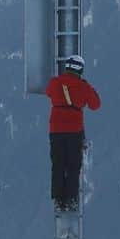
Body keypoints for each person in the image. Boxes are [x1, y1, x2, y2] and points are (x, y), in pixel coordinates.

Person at [46, 55, 101, 212]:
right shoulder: (83, 87)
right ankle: (71, 200)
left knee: (57, 165)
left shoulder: (55, 83)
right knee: (72, 166)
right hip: (73, 131)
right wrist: (86, 87)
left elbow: (49, 92)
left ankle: (57, 200)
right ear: (81, 70)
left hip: (55, 130)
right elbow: (96, 104)